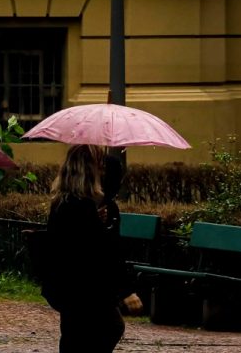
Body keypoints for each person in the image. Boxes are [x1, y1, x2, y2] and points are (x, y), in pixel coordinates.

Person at [45, 144, 143, 353]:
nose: (104, 170)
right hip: (85, 288)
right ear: (89, 169)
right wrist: (125, 291)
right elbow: (99, 251)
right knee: (107, 328)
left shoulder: (63, 201)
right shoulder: (81, 206)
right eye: (100, 165)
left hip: (67, 287)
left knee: (75, 335)